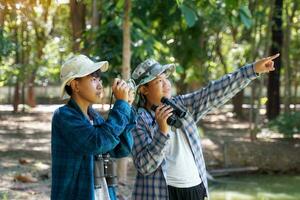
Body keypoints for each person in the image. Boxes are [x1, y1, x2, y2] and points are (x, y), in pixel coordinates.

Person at [130, 54, 280, 200]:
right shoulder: (138, 120)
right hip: (163, 193)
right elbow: (145, 166)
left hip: (196, 188)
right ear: (144, 90)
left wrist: (252, 70)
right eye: (159, 81)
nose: (166, 84)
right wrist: (162, 132)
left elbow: (213, 93)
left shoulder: (181, 105)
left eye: (166, 79)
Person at [51, 54, 136, 200]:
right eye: (93, 79)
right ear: (75, 85)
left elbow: (121, 149)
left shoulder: (95, 117)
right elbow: (97, 143)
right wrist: (121, 106)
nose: (99, 85)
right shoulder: (64, 116)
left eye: (99, 79)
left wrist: (126, 106)